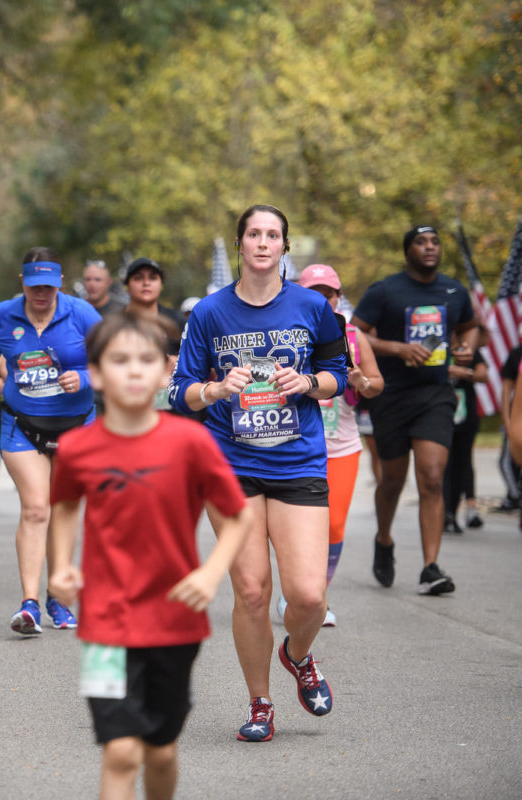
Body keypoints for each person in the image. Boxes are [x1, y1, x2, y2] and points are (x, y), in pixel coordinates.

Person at [49, 314, 251, 800]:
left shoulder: (190, 442)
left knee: (160, 751)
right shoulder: (78, 448)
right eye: (119, 360)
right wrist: (59, 565)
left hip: (174, 620)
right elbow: (65, 505)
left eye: (146, 360)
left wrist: (211, 572)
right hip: (104, 623)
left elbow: (238, 516)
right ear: (96, 373)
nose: (134, 371)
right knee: (120, 752)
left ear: (166, 371)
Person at [170, 204, 348, 742]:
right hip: (230, 465)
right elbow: (179, 393)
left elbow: (338, 373)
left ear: (285, 247)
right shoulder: (208, 313)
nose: (264, 243)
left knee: (309, 596)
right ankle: (260, 702)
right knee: (251, 591)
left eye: (274, 235)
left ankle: (297, 655)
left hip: (297, 461)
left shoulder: (313, 308)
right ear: (241, 244)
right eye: (254, 234)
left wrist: (310, 384)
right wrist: (218, 389)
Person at [0, 249, 102, 635]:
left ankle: (57, 597)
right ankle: (29, 603)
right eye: (34, 287)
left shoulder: (82, 314)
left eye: (48, 287)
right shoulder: (3, 314)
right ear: (23, 282)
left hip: (77, 424)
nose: (41, 294)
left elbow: (113, 357)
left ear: (60, 284)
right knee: (36, 508)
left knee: (63, 509)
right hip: (21, 424)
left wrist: (82, 377)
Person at [352, 224, 478, 595]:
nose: (429, 247)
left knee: (433, 477)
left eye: (435, 242)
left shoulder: (455, 290)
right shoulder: (384, 291)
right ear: (408, 250)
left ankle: (430, 567)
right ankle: (385, 539)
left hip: (435, 393)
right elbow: (354, 333)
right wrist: (398, 348)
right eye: (421, 242)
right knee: (392, 481)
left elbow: (471, 327)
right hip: (391, 395)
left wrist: (466, 348)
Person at [279, 264, 385, 627]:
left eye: (330, 293)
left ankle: (317, 597)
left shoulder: (354, 335)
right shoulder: (287, 331)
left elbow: (376, 384)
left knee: (335, 525)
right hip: (296, 442)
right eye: (316, 293)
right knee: (295, 526)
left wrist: (360, 382)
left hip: (342, 445)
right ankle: (294, 594)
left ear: (339, 298)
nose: (324, 300)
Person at [443, 346, 488, 532]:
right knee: (443, 465)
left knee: (462, 464)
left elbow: (483, 375)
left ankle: (452, 512)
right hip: (440, 415)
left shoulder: (467, 350)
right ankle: (443, 512)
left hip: (465, 417)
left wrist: (462, 372)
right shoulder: (433, 342)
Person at [121, 258, 186, 345]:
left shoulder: (177, 322)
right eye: (138, 278)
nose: (146, 283)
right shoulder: (113, 322)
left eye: (153, 278)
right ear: (127, 285)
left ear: (161, 285)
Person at [496, 345, 522, 515]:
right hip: (517, 419)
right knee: (506, 462)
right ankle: (515, 497)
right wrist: (507, 418)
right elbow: (506, 388)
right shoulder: (517, 355)